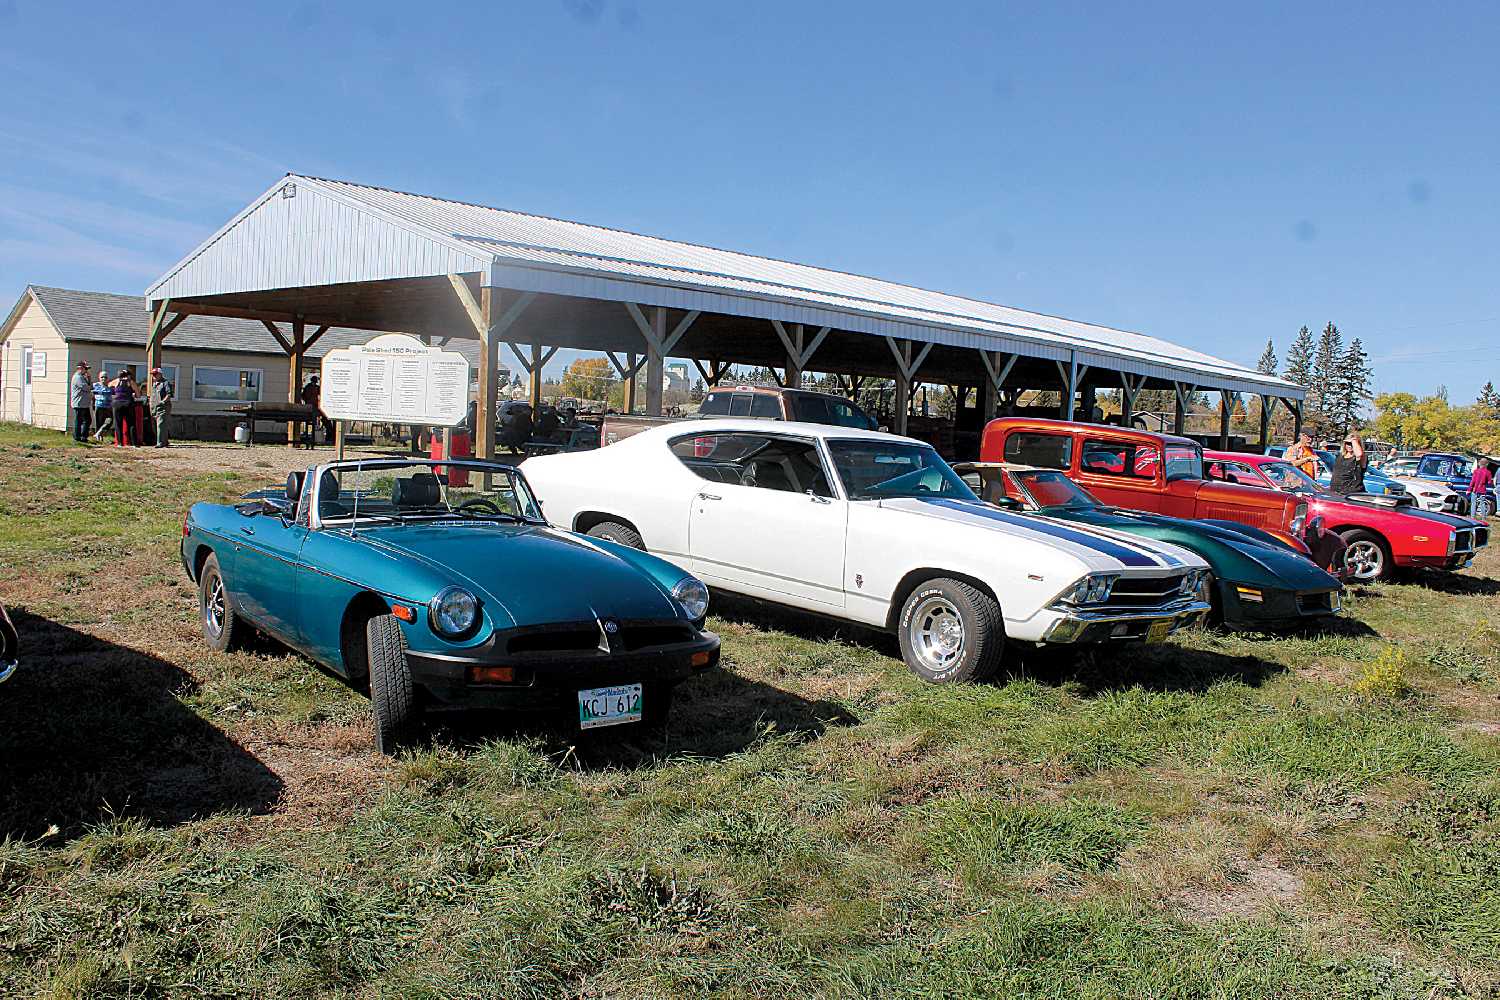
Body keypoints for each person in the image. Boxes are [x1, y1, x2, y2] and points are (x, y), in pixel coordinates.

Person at [1329, 431, 1367, 496]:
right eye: (1348, 443)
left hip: (1352, 494)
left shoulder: (1362, 457)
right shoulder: (1339, 456)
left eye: (1352, 444)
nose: (1350, 446)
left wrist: (1354, 440)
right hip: (1336, 493)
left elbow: (1359, 454)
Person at [301, 375, 334, 444]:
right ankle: (324, 436)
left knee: (320, 421)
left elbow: (303, 396)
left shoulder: (308, 387)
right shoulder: (313, 388)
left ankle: (324, 436)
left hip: (312, 407)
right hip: (313, 407)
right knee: (320, 421)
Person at [148, 368, 173, 448]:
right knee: (158, 425)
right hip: (154, 407)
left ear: (160, 374)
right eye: (153, 375)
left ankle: (160, 443)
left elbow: (169, 394)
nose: (154, 376)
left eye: (155, 374)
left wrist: (163, 402)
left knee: (160, 424)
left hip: (163, 407)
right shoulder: (154, 384)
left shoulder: (165, 383)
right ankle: (164, 441)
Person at [110, 370, 136, 446]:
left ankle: (120, 443)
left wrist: (114, 392)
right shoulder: (130, 382)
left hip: (117, 404)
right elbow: (138, 394)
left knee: (118, 424)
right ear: (128, 375)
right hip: (128, 403)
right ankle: (133, 443)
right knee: (131, 424)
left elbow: (109, 385)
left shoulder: (116, 381)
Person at [69, 362, 93, 442]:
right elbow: (87, 388)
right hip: (79, 403)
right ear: (80, 368)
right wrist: (89, 380)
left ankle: (83, 437)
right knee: (79, 421)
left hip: (84, 404)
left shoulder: (82, 377)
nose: (87, 371)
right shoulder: (77, 377)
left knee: (87, 420)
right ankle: (77, 437)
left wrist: (88, 379)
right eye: (86, 369)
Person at [91, 369, 113, 440]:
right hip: (99, 405)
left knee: (109, 421)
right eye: (102, 377)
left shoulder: (110, 386)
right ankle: (98, 438)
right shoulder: (95, 385)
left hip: (108, 407)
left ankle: (99, 433)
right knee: (99, 422)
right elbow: (89, 390)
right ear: (99, 378)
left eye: (105, 377)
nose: (104, 379)